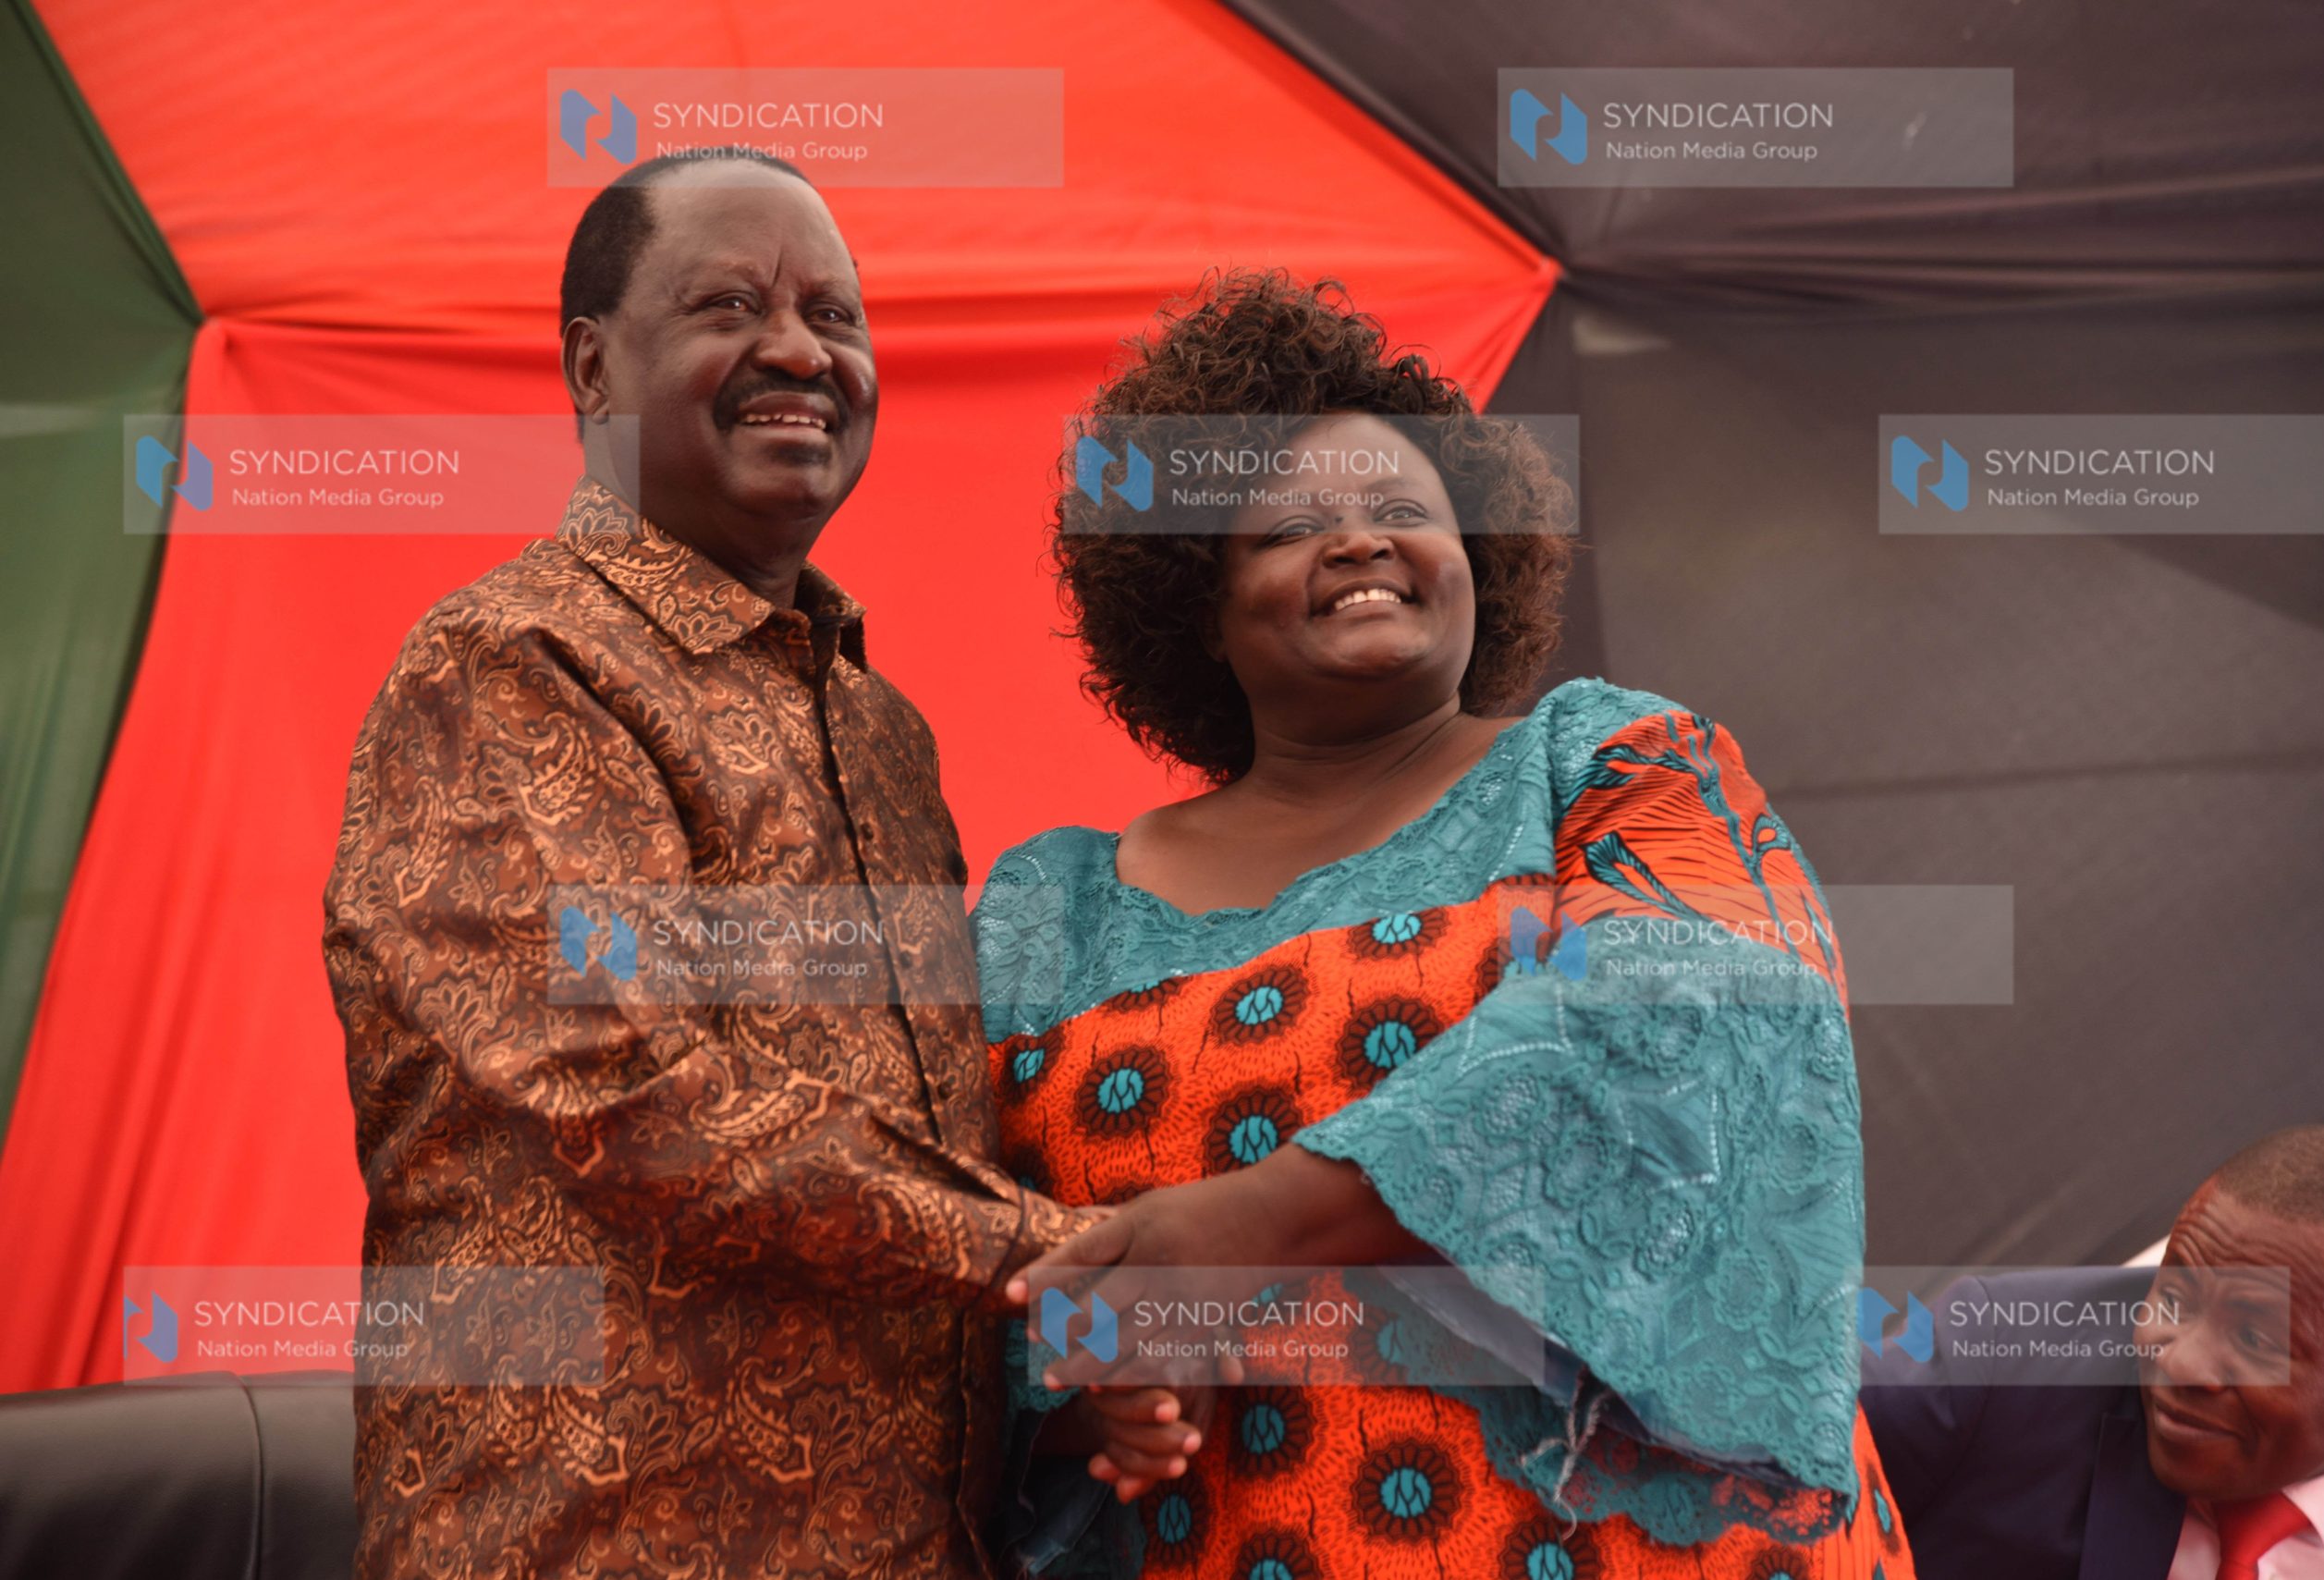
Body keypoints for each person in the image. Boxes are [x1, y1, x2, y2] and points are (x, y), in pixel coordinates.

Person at [974, 270, 1913, 1577]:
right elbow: (962, 1250)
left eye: (1404, 509)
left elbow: (1704, 1009)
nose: (1360, 540)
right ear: (1195, 598)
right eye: (1290, 525)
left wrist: (1254, 1226)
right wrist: (1095, 1385)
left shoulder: (1615, 761)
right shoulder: (1049, 905)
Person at [323, 148, 1092, 1578]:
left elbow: (938, 1128)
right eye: (729, 304)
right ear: (594, 365)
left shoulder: (883, 731)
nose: (800, 349)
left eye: (838, 316)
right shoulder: (510, 663)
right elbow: (621, 1090)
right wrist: (1053, 1254)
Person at [1863, 1126, 2324, 1580]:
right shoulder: (2007, 1356)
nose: (2178, 1362)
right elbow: (1795, 1444)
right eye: (2172, 1300)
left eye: (2254, 1339)